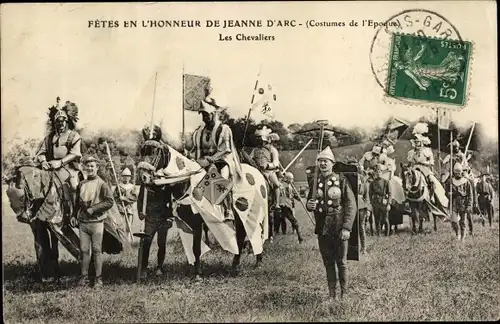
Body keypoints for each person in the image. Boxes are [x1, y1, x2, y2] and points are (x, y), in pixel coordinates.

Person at [306, 147, 357, 300]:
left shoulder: (341, 180)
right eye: (320, 161)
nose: (323, 164)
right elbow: (310, 201)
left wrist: (347, 227)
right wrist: (310, 205)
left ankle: (344, 294)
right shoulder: (315, 182)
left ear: (332, 163)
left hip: (339, 226)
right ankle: (332, 294)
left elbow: (351, 204)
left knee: (341, 262)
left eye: (326, 161)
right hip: (323, 228)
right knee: (328, 262)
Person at [190, 100, 243, 221]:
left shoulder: (224, 129)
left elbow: (225, 149)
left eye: (207, 115)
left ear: (213, 114)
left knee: (222, 177)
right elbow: (197, 150)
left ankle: (227, 209)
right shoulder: (199, 131)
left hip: (221, 161)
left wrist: (212, 159)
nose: (205, 118)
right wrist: (191, 156)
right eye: (203, 115)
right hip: (203, 161)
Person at [70, 156, 114, 287]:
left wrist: (93, 209)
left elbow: (109, 201)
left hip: (97, 222)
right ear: (84, 168)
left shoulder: (102, 184)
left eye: (92, 166)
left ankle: (98, 278)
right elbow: (77, 202)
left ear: (97, 168)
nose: (89, 168)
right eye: (87, 166)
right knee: (84, 250)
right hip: (83, 223)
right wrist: (73, 215)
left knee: (96, 249)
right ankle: (84, 277)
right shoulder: (81, 184)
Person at [36, 99, 83, 205]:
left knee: (74, 185)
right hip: (51, 167)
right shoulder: (49, 137)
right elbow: (41, 152)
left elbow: (75, 153)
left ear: (67, 122)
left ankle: (75, 214)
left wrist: (60, 162)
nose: (61, 124)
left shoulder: (74, 135)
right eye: (58, 121)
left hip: (69, 168)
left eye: (63, 121)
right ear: (54, 123)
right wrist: (43, 162)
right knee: (36, 183)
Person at [137, 183, 173, 278]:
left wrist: (170, 217)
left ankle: (159, 267)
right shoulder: (145, 184)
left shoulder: (166, 184)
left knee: (161, 243)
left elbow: (171, 202)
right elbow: (140, 200)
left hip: (163, 218)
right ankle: (143, 268)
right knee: (146, 242)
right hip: (150, 218)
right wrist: (140, 212)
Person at [407, 122, 448, 208]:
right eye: (416, 142)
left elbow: (431, 163)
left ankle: (432, 197)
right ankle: (407, 199)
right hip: (414, 168)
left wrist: (426, 165)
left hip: (425, 168)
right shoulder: (411, 152)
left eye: (418, 142)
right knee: (407, 179)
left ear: (422, 142)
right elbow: (410, 162)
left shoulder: (427, 151)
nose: (417, 144)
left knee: (433, 181)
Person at [249, 126, 282, 211]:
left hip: (269, 172)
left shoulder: (272, 150)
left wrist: (267, 166)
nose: (259, 142)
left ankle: (277, 204)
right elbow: (250, 158)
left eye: (261, 139)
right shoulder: (255, 150)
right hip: (257, 171)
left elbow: (276, 163)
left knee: (276, 185)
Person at [444, 162, 474, 241]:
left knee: (462, 222)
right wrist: (448, 194)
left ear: (461, 172)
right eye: (456, 173)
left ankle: (463, 237)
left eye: (459, 173)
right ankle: (458, 234)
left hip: (463, 203)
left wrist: (469, 206)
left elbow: (470, 195)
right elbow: (446, 192)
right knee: (454, 221)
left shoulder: (466, 182)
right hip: (454, 202)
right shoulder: (450, 181)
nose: (457, 174)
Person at [278, 172, 303, 243]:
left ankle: (285, 232)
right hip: (285, 206)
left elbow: (292, 195)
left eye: (292, 179)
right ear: (286, 179)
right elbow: (288, 196)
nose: (292, 181)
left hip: (288, 205)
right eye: (291, 179)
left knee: (284, 219)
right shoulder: (284, 186)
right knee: (294, 221)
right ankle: (300, 237)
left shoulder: (289, 185)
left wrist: (298, 198)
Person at [369, 164, 393, 237]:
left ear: (382, 173)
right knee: (377, 219)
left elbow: (390, 193)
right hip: (376, 202)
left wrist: (389, 203)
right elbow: (370, 194)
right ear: (375, 173)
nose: (378, 173)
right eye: (376, 172)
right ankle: (378, 234)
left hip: (384, 202)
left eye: (379, 171)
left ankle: (387, 234)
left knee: (385, 219)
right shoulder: (372, 183)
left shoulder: (386, 182)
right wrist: (371, 203)